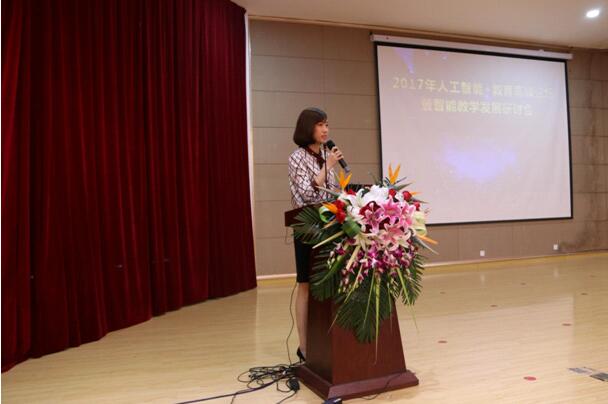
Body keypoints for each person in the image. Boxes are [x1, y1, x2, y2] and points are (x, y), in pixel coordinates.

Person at [287, 107, 344, 362]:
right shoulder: (296, 158)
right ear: (308, 127)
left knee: (330, 284)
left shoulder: (326, 157)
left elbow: (333, 194)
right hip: (308, 228)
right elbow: (308, 194)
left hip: (331, 228)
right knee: (306, 285)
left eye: (327, 124)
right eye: (320, 124)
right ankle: (305, 347)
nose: (325, 129)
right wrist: (327, 167)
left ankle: (329, 344)